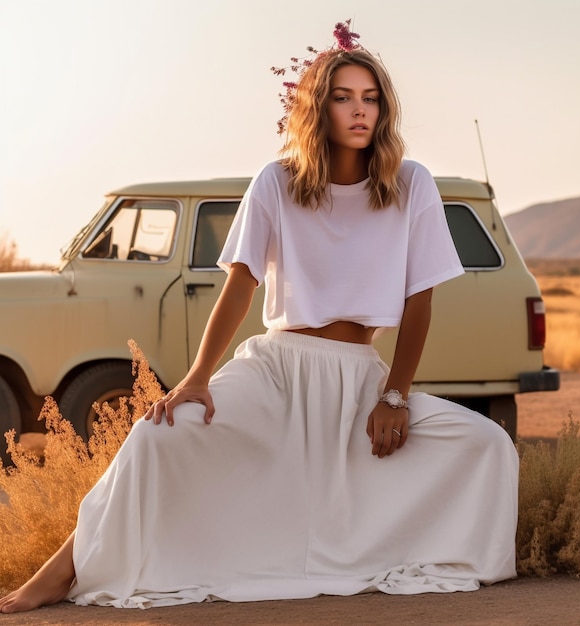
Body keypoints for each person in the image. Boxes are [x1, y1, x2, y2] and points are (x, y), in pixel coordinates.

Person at [0, 20, 518, 614]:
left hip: (359, 382)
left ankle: (414, 555)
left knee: (487, 445)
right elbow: (240, 287)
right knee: (156, 434)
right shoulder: (277, 182)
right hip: (276, 371)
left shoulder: (409, 184)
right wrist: (197, 377)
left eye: (371, 99)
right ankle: (63, 568)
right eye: (344, 97)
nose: (360, 111)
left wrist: (395, 396)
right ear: (317, 109)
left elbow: (419, 300)